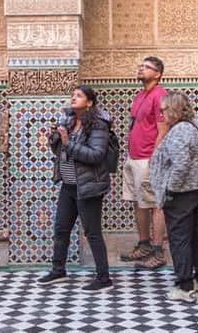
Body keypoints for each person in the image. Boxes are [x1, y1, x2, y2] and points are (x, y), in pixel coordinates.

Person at [38, 85, 114, 292]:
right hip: (69, 185)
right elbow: (59, 150)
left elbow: (96, 155)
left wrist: (67, 142)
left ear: (89, 102)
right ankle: (58, 270)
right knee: (61, 229)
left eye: (78, 96)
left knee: (92, 232)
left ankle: (104, 278)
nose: (73, 98)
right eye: (72, 95)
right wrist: (55, 138)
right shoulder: (69, 121)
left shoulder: (98, 125)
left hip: (88, 186)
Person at [149, 91, 198, 302]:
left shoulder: (180, 131)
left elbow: (181, 163)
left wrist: (170, 189)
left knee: (180, 239)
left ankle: (185, 286)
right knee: (196, 236)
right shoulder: (194, 126)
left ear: (174, 109)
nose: (162, 114)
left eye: (164, 110)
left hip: (182, 193)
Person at [120, 56, 169, 269]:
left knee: (155, 205)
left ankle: (158, 252)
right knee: (138, 203)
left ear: (158, 74)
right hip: (134, 157)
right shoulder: (140, 95)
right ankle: (144, 245)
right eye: (141, 66)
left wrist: (154, 160)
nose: (141, 69)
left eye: (147, 67)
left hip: (148, 159)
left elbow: (163, 131)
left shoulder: (161, 95)